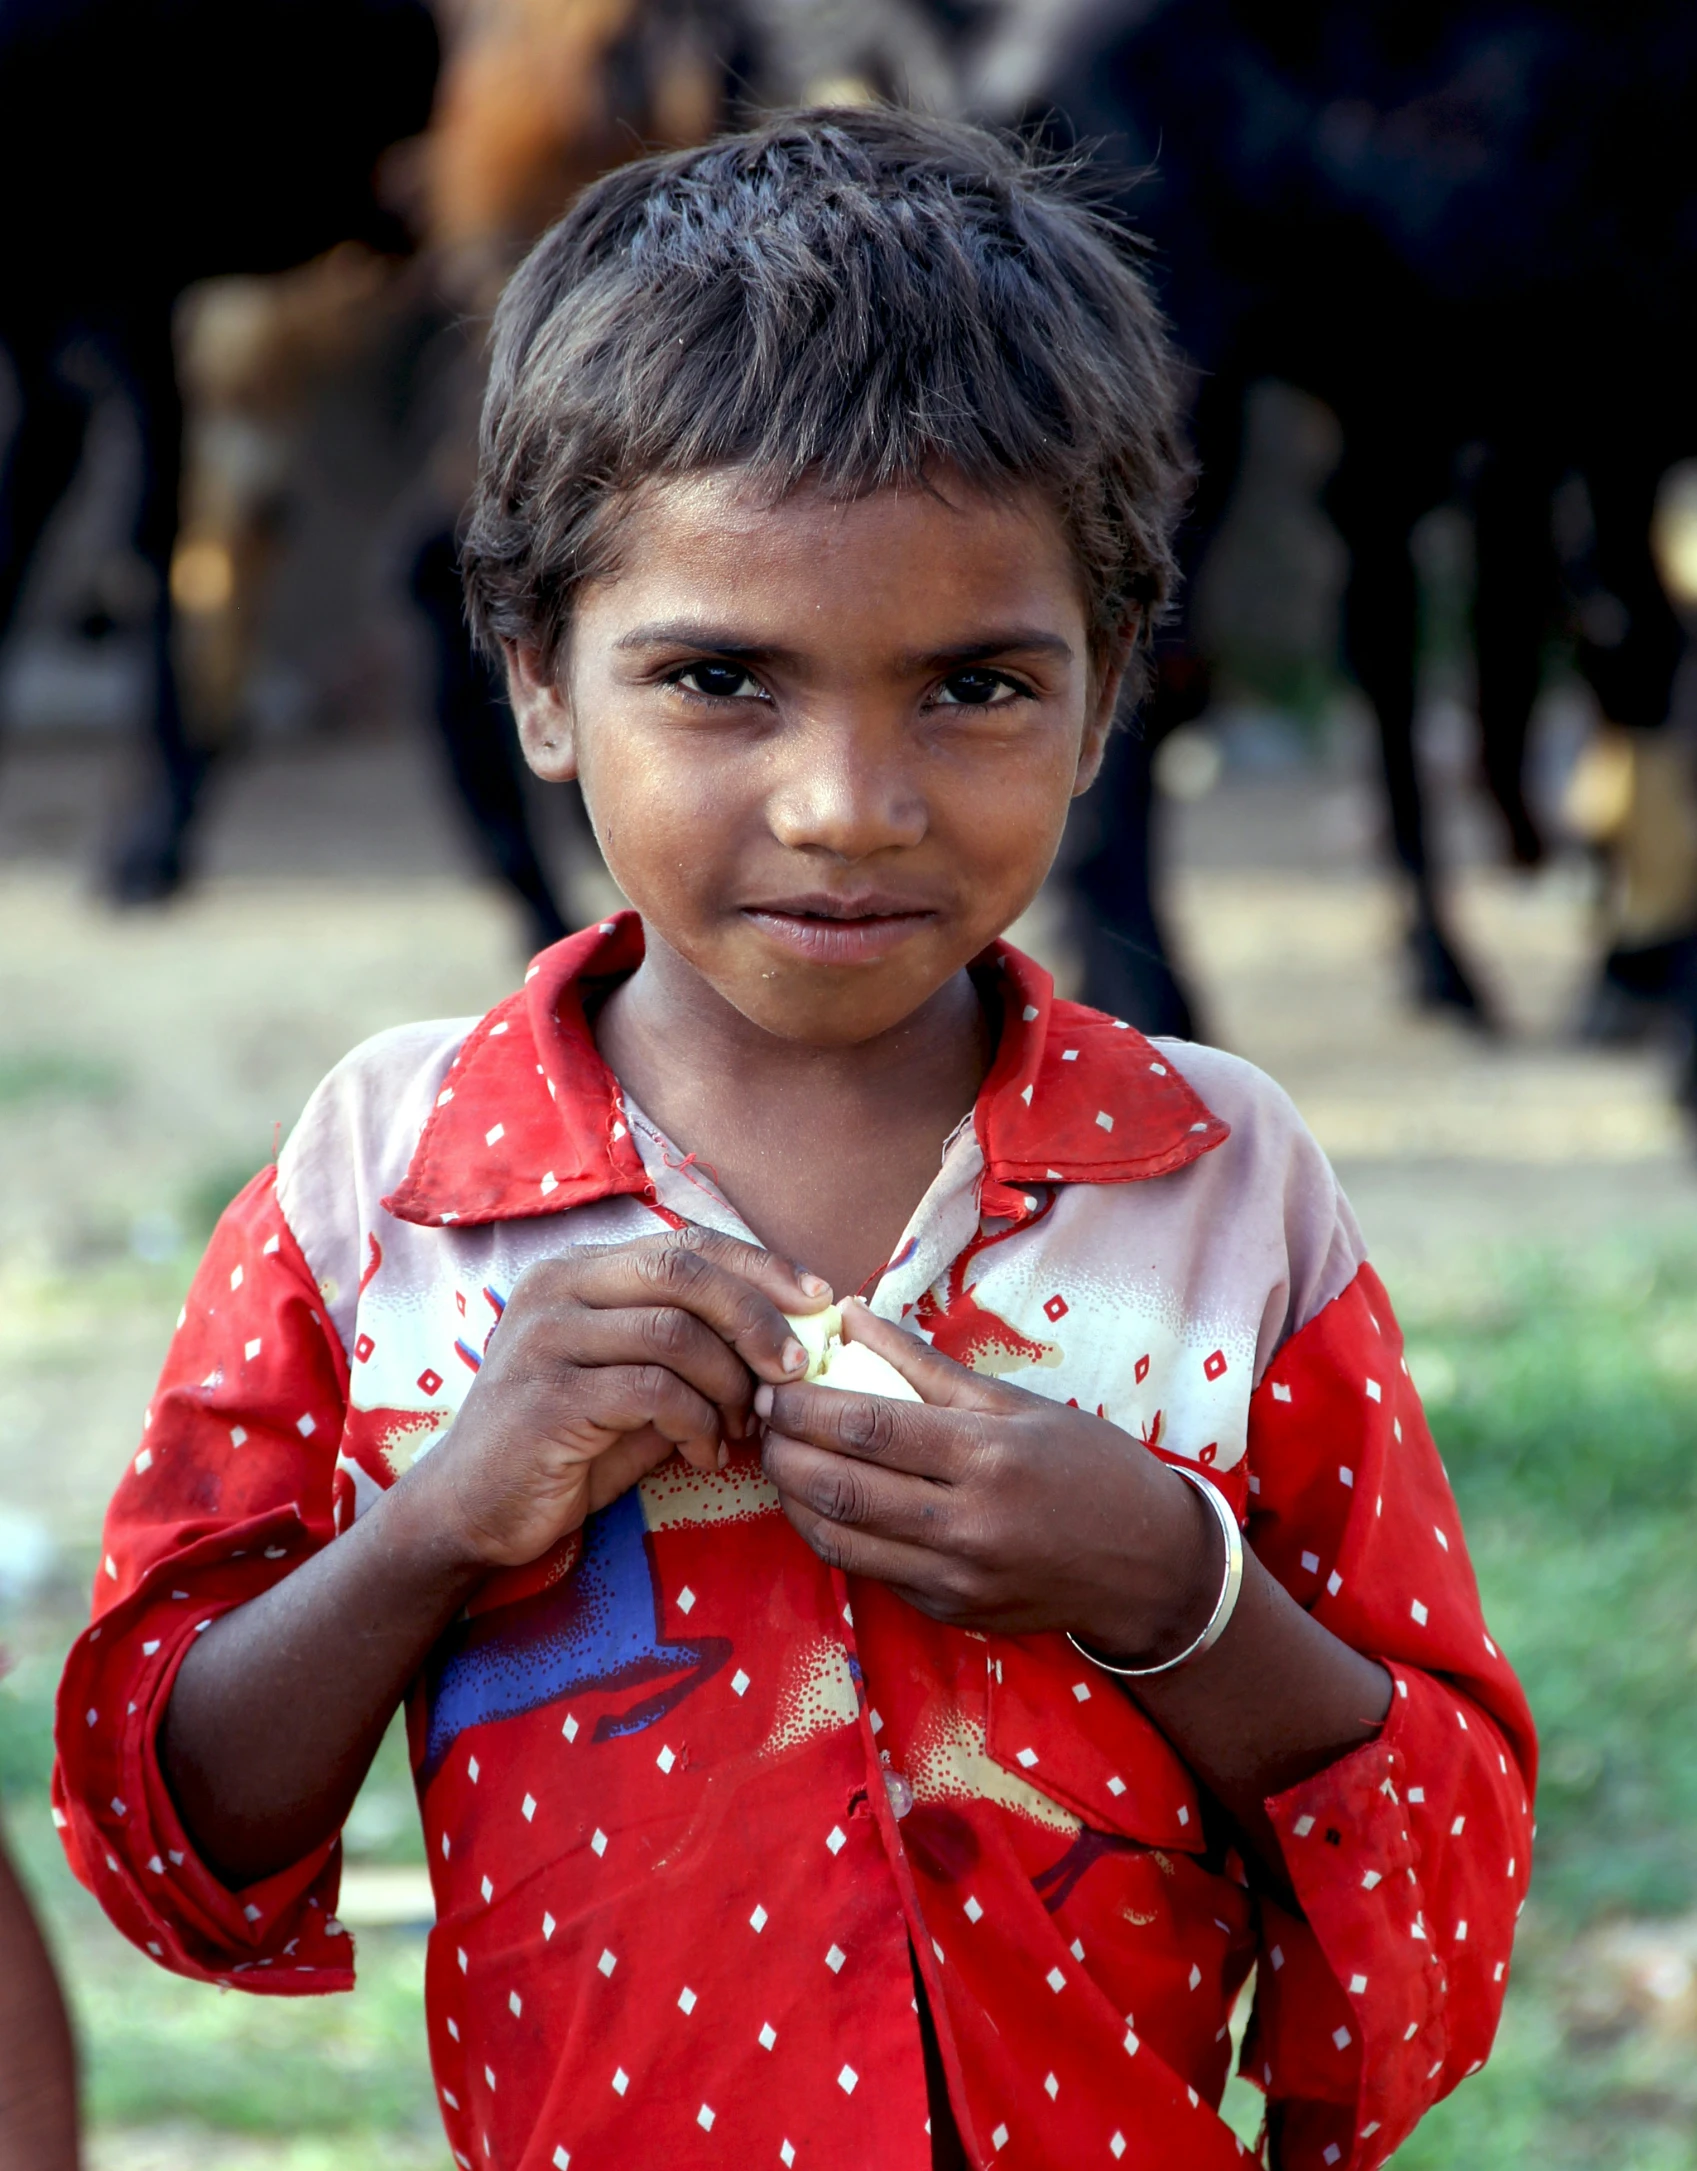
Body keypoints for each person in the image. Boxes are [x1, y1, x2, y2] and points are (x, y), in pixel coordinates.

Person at [53, 110, 1534, 2171]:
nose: (849, 800)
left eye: (972, 687)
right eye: (720, 677)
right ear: (537, 680)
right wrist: (440, 1519)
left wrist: (1157, 1575)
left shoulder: (1215, 1180)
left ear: (1107, 702)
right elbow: (168, 1823)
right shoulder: (382, 1186)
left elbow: (1435, 1861)